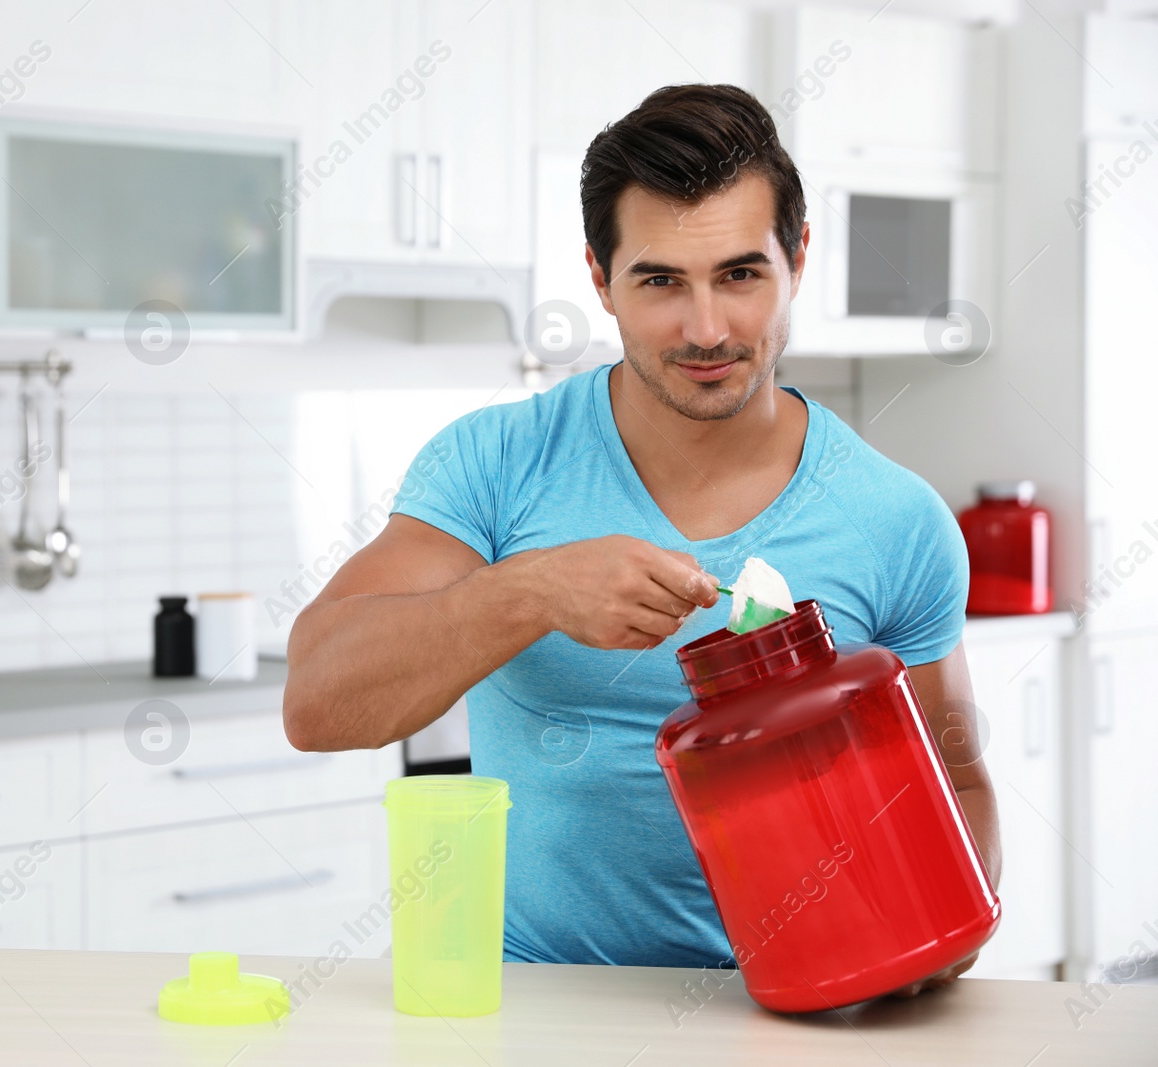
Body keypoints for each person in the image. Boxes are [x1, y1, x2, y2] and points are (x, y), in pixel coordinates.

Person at [282, 83, 999, 997]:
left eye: (740, 275)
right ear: (599, 278)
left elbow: (960, 792)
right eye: (660, 281)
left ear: (798, 260)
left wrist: (930, 936)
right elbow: (317, 701)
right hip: (535, 1003)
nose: (706, 329)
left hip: (801, 1007)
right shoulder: (497, 462)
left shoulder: (897, 520)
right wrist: (530, 590)